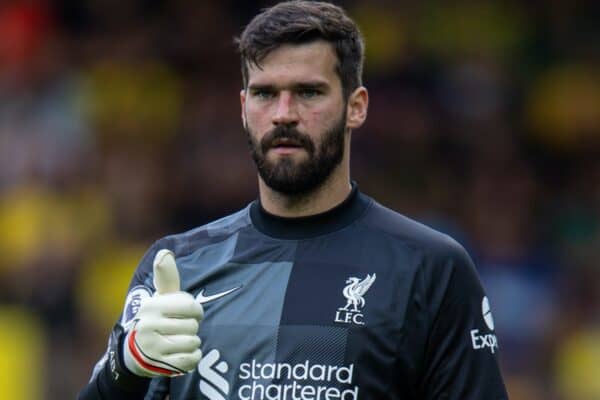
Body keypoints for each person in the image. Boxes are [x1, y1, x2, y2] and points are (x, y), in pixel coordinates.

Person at [79, 1, 508, 399]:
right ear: (244, 108)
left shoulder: (430, 268)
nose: (284, 113)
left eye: (308, 92)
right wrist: (128, 364)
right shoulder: (177, 265)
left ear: (355, 107)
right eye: (265, 94)